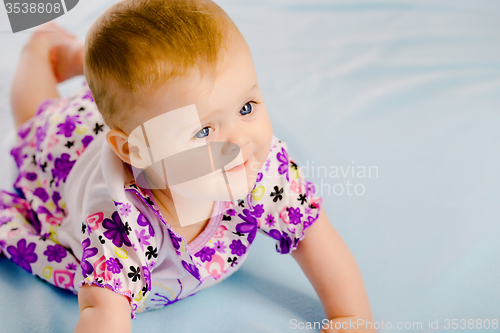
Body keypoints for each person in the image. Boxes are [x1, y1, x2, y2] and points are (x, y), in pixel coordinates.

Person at [0, 1, 376, 332]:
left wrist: (350, 316)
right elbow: (102, 311)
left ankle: (81, 57)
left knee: (135, 88)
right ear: (135, 152)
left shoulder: (261, 169)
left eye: (246, 108)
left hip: (143, 121)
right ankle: (41, 48)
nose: (238, 142)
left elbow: (315, 235)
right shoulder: (119, 221)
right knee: (36, 111)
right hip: (68, 146)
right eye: (204, 131)